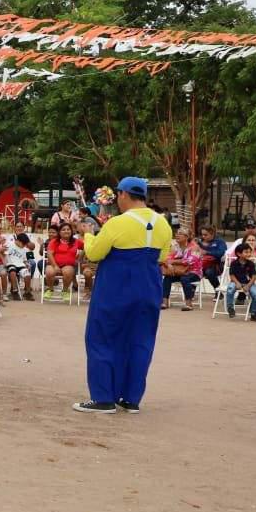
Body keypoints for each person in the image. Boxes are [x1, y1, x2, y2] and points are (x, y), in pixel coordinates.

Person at [73, 177, 172, 415]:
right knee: (141, 340)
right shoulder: (163, 225)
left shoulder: (117, 223)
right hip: (149, 286)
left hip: (116, 286)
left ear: (123, 194)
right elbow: (161, 258)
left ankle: (103, 398)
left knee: (101, 337)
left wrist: (87, 234)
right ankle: (130, 398)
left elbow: (95, 253)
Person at [161, 228, 202, 311]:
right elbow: (167, 258)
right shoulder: (175, 247)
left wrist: (173, 262)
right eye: (177, 233)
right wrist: (169, 264)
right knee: (167, 278)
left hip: (194, 272)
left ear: (187, 237)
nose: (177, 235)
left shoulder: (195, 247)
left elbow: (189, 261)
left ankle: (189, 304)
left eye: (180, 233)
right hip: (178, 271)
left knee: (185, 278)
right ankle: (164, 302)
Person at [225, 242, 256, 321]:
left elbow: (253, 276)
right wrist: (237, 283)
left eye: (249, 252)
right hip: (236, 282)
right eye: (246, 252)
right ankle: (230, 308)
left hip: (249, 283)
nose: (249, 254)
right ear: (239, 254)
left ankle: (254, 313)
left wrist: (248, 285)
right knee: (230, 289)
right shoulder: (234, 263)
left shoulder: (251, 264)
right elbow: (232, 275)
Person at [44, 223, 81, 298]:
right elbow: (49, 254)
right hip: (53, 264)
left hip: (68, 265)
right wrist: (55, 266)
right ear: (59, 232)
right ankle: (50, 289)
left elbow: (87, 247)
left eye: (68, 229)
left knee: (68, 272)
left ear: (71, 231)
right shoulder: (54, 241)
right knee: (49, 272)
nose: (66, 231)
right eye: (63, 230)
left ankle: (65, 290)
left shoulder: (76, 241)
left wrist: (80, 257)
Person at [196, 225, 227, 293]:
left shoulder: (219, 242)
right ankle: (190, 293)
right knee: (192, 271)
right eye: (202, 234)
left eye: (205, 235)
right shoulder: (199, 242)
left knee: (209, 272)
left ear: (212, 234)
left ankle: (218, 292)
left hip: (216, 265)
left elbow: (221, 253)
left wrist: (207, 252)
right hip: (201, 264)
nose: (203, 236)